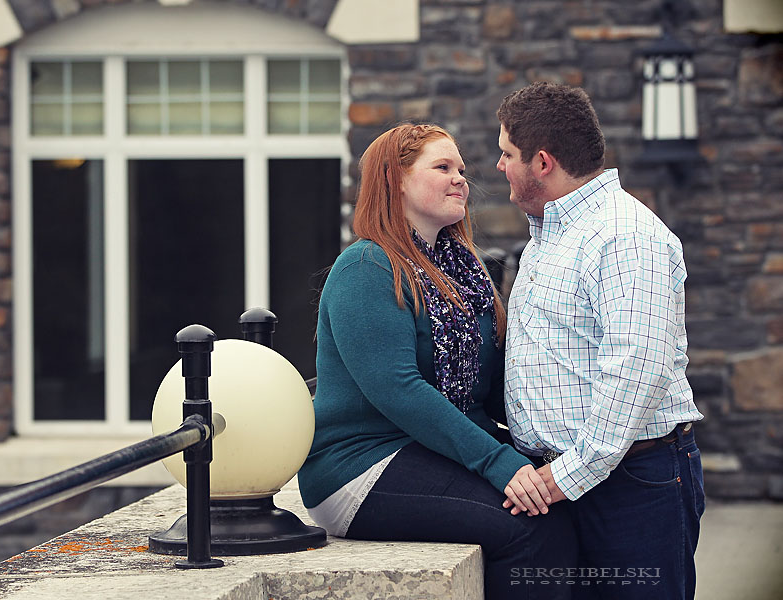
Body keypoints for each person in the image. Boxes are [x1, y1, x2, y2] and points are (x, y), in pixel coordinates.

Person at [298, 123, 577, 600]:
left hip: (426, 452)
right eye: (442, 167)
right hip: (360, 466)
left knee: (564, 500)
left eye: (462, 169)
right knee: (532, 527)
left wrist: (560, 451)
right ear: (396, 180)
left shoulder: (461, 270)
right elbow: (400, 391)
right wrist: (500, 463)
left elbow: (490, 387)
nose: (460, 179)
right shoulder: (366, 267)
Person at [496, 82, 705, 599]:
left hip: (630, 486)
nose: (499, 166)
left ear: (542, 162)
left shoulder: (625, 235)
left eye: (506, 154)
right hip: (567, 482)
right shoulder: (553, 232)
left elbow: (637, 371)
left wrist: (564, 478)